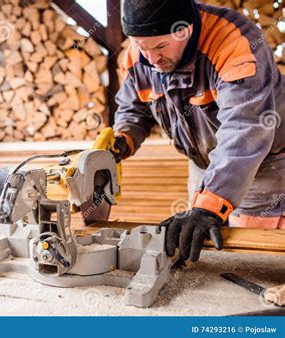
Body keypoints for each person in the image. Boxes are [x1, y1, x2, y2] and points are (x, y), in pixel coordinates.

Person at [113, 0, 285, 262]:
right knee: (205, 251)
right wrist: (123, 138)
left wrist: (211, 205)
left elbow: (245, 130)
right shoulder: (140, 54)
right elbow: (134, 107)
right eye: (140, 46)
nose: (152, 58)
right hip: (202, 166)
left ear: (186, 29)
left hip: (262, 170)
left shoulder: (234, 41)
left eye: (160, 46)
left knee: (254, 260)